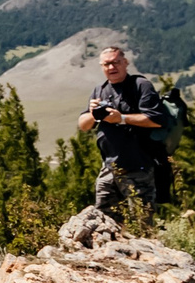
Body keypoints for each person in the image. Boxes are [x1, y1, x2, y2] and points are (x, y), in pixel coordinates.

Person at [75, 44, 176, 218]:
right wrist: (93, 114)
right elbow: (83, 125)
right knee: (103, 219)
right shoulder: (100, 90)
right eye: (106, 64)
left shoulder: (140, 85)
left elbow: (157, 120)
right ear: (101, 67)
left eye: (116, 62)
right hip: (109, 167)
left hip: (138, 166)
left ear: (125, 63)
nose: (111, 67)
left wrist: (121, 118)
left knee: (142, 220)